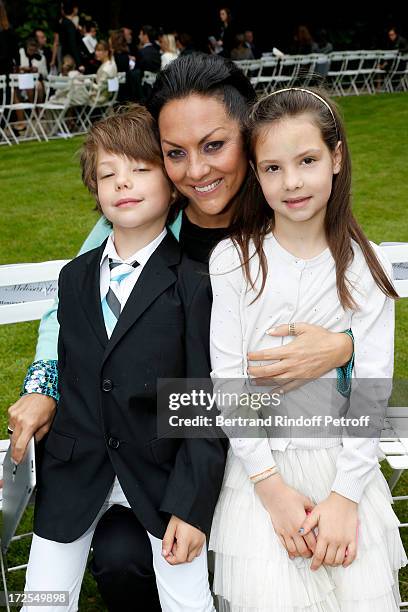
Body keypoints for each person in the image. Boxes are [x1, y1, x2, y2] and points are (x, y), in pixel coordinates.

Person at [9, 55, 353, 611]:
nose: (194, 171)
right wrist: (45, 385)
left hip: (257, 432)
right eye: (174, 155)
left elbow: (346, 304)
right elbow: (70, 321)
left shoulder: (286, 207)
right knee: (123, 560)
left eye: (214, 146)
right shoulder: (134, 218)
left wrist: (345, 345)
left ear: (248, 138)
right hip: (160, 446)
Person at [21, 104, 226, 612]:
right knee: (43, 599)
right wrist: (41, 392)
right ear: (95, 190)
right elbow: (72, 370)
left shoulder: (194, 284)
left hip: (161, 482)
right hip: (75, 474)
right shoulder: (73, 277)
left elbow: (204, 401)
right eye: (108, 175)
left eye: (140, 169)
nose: (123, 184)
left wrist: (192, 505)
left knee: (187, 603)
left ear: (173, 184)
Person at [208, 87, 407, 611]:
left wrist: (344, 498)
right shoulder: (234, 262)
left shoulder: (367, 269)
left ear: (336, 158)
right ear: (255, 173)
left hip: (345, 470)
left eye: (308, 161)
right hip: (261, 474)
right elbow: (229, 386)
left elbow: (371, 393)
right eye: (272, 168)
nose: (291, 181)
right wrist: (270, 489)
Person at [89, 40, 117, 105]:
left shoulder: (106, 68)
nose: (96, 53)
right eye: (96, 50)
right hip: (108, 95)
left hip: (101, 98)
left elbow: (100, 87)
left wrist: (88, 82)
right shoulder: (111, 63)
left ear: (106, 52)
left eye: (99, 51)